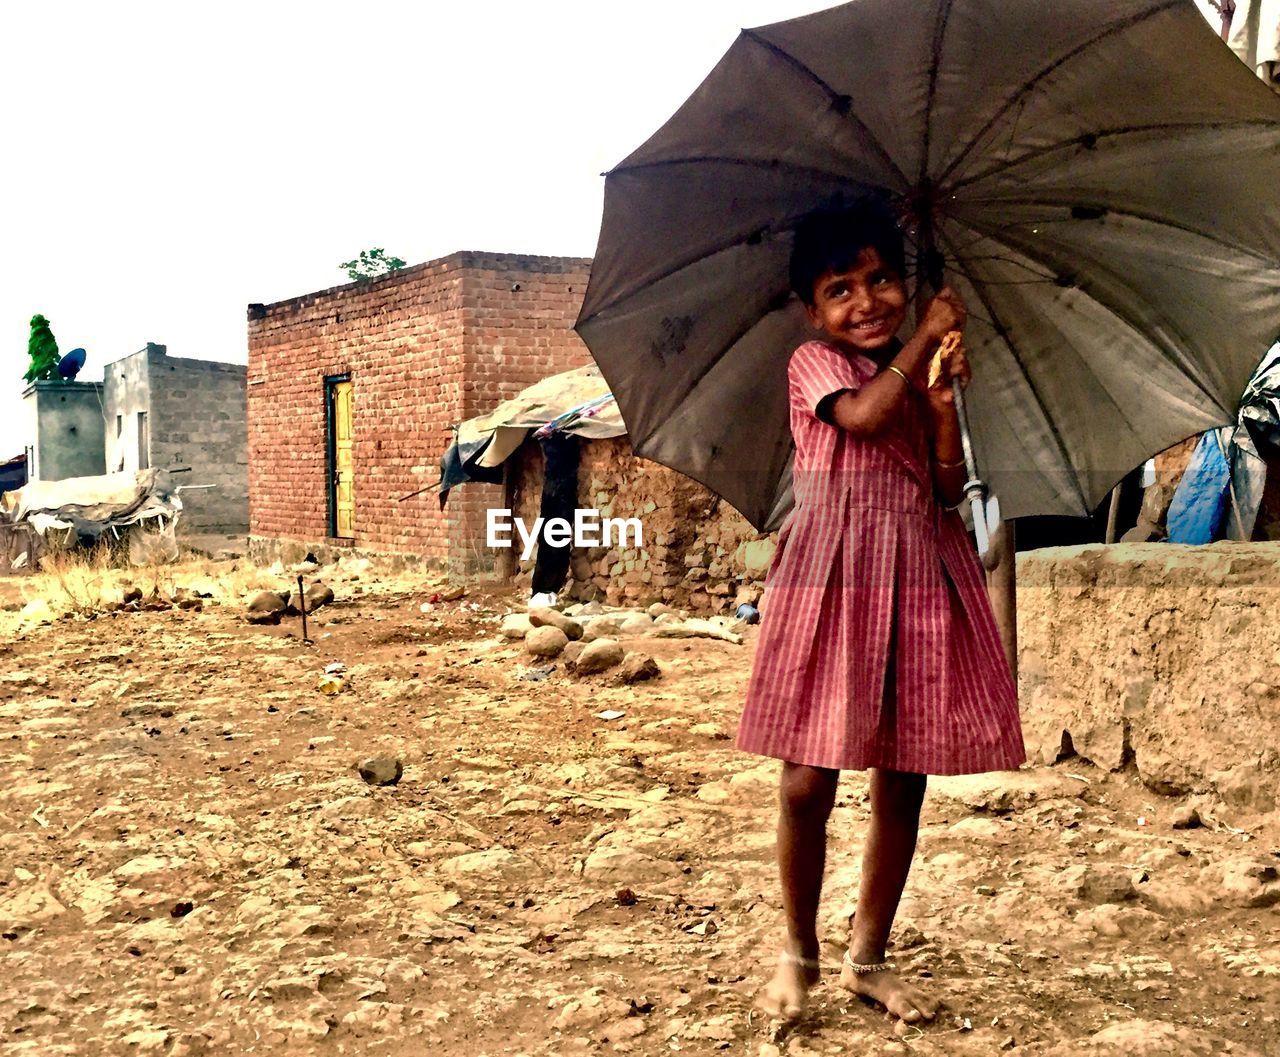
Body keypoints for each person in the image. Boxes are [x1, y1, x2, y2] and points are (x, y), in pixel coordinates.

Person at [737, 200, 1025, 1025]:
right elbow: (861, 418)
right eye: (840, 290)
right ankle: (797, 952)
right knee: (804, 780)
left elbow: (942, 488)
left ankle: (869, 954)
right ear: (812, 310)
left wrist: (940, 415)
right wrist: (926, 336)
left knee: (903, 774)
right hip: (829, 577)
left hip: (914, 572)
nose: (865, 302)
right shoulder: (813, 365)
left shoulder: (912, 370)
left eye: (882, 281)